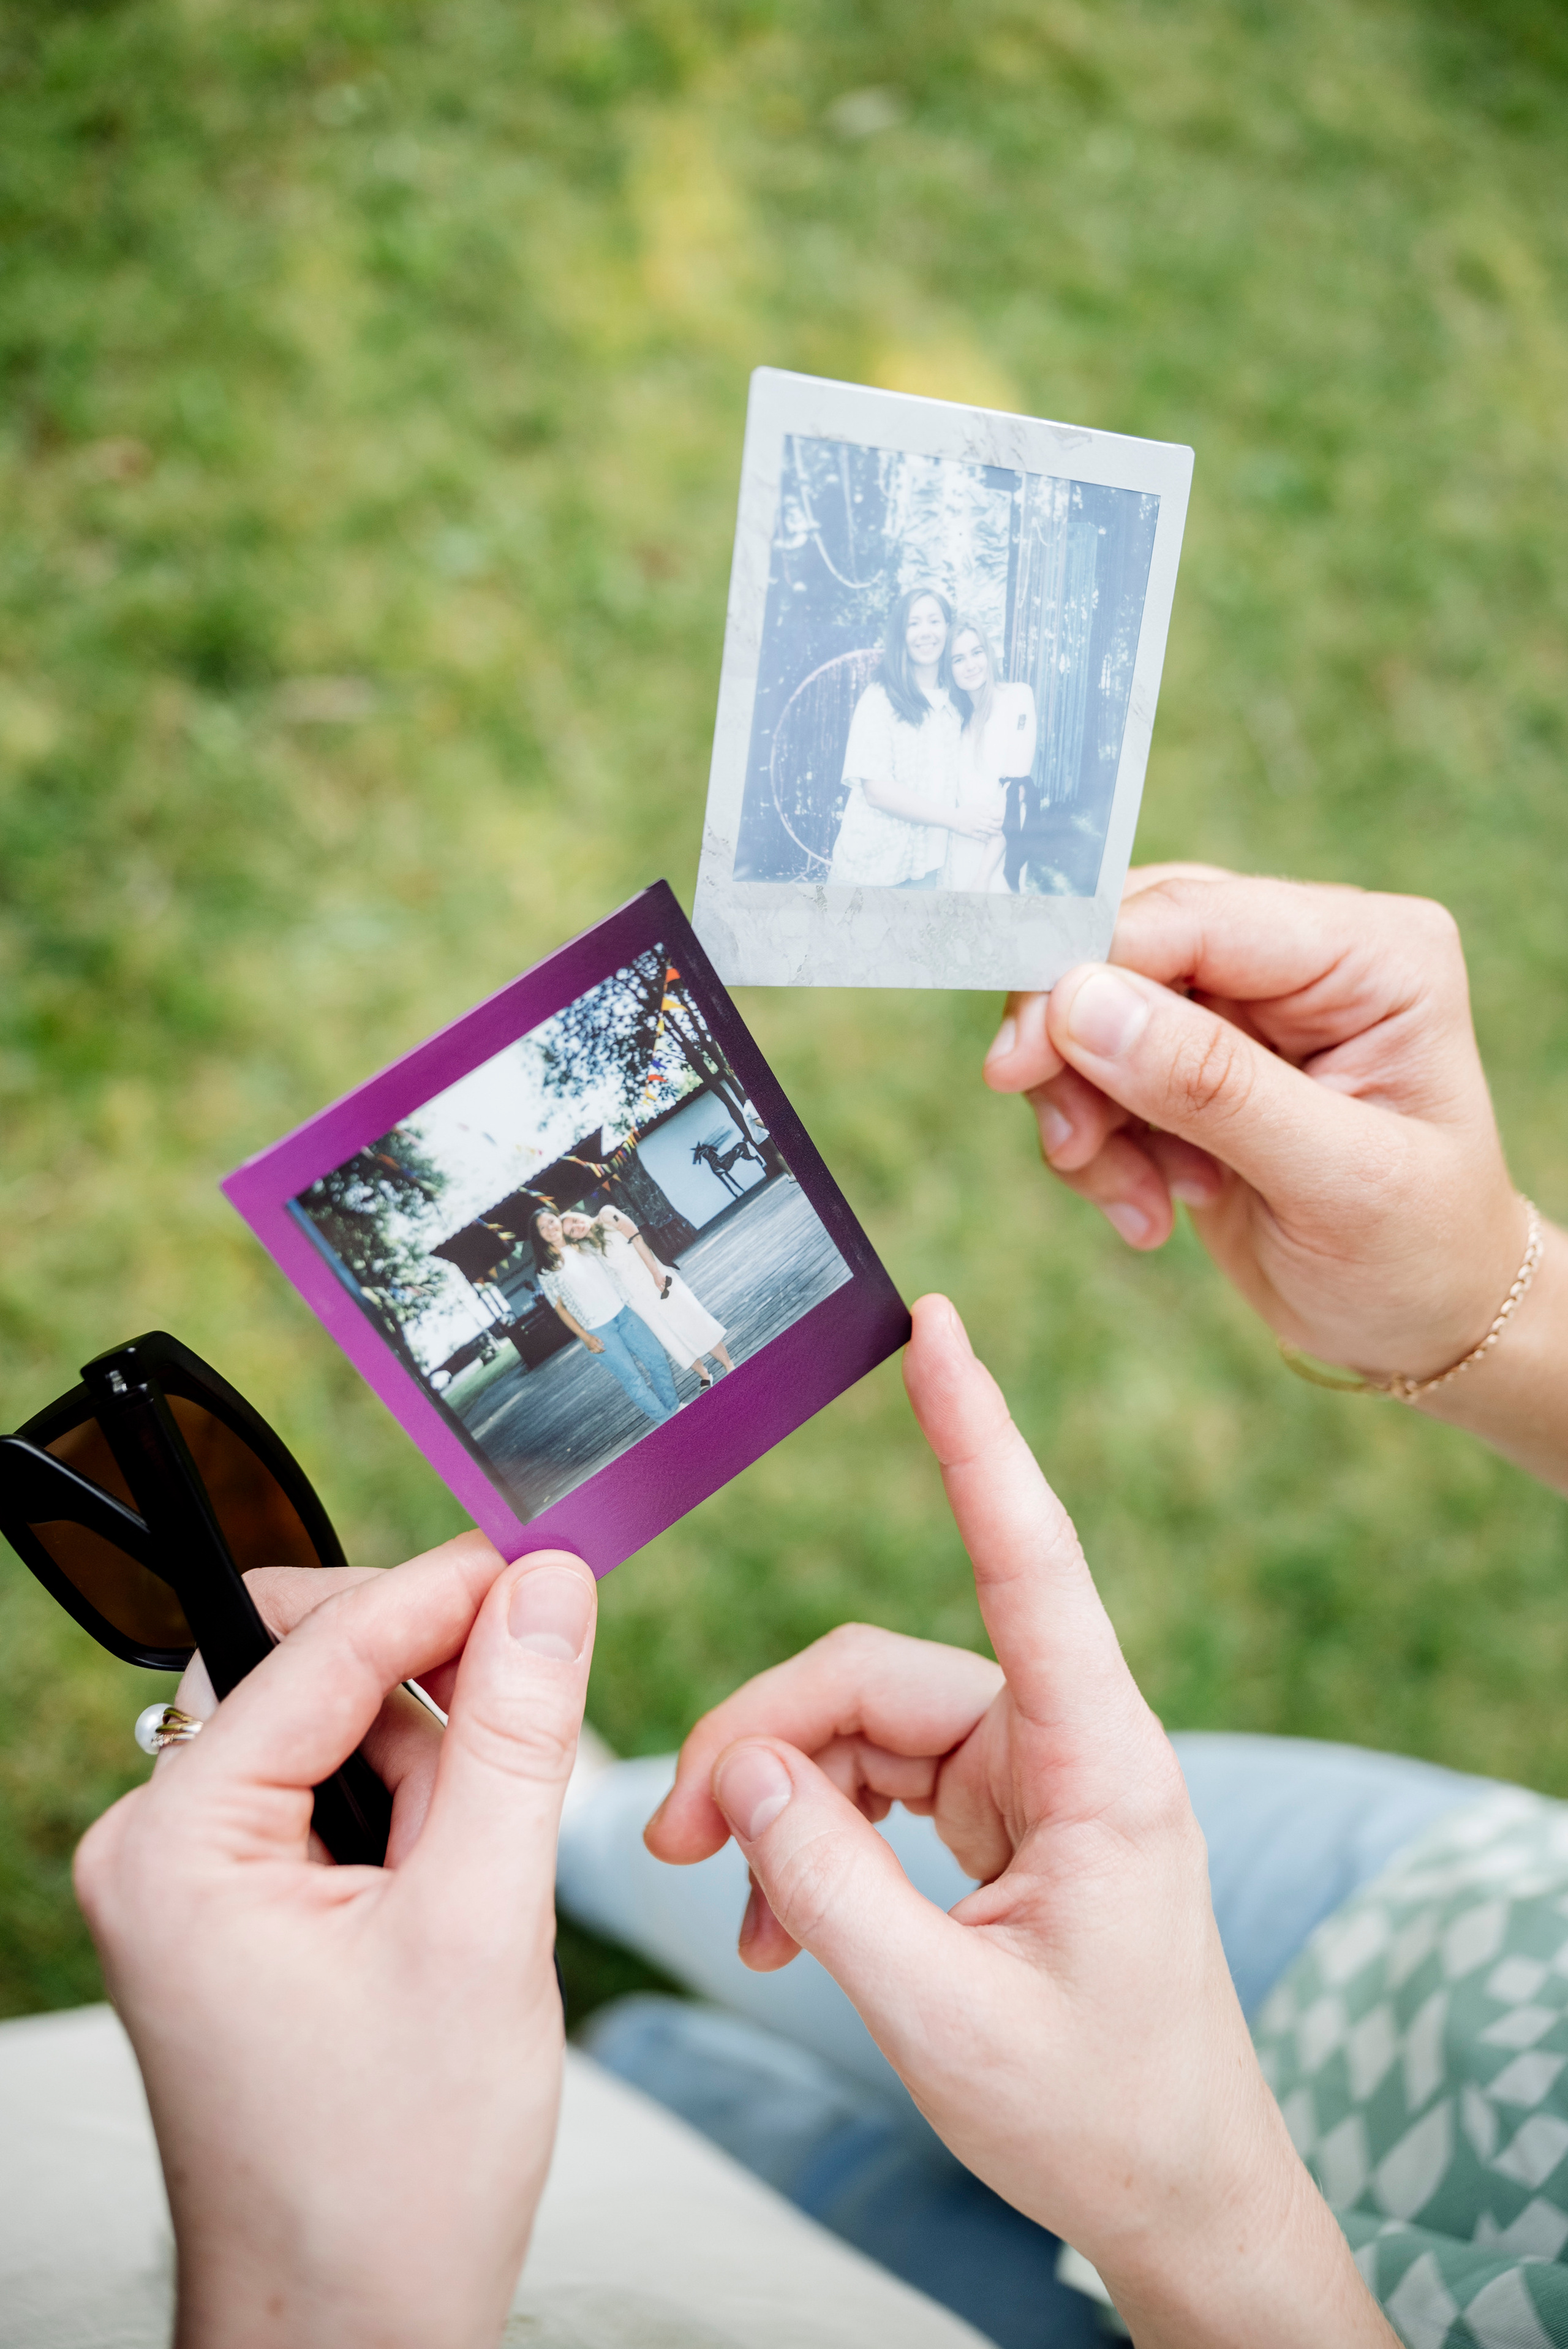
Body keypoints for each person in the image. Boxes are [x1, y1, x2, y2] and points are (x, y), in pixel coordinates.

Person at [68, 868, 1568, 2346]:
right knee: (708, 1919)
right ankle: (590, 1866)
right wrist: (1497, 1295)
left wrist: (1203, 2229)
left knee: (747, 2191)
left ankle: (630, 2057)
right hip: (1440, 1940)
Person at [827, 586, 999, 890]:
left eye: (934, 621)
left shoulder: (954, 705)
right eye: (913, 623)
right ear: (901, 635)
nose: (925, 632)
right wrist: (956, 819)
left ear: (948, 628)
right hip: (871, 872)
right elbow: (877, 791)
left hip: (927, 871)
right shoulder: (880, 698)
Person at [529, 1207, 678, 1425]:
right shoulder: (547, 1271)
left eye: (552, 1221)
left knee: (657, 1360)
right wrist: (584, 1336)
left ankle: (674, 1408)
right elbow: (560, 1308)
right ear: (539, 1236)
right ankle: (667, 1421)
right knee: (633, 1380)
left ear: (559, 1219)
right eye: (543, 1228)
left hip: (624, 1314)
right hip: (598, 1331)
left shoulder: (584, 1245)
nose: (550, 1228)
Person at [561, 1205, 734, 1388]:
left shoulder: (606, 1214)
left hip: (652, 1274)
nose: (578, 1226)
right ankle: (704, 1373)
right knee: (668, 1335)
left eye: (574, 1220)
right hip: (635, 1296)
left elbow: (637, 1238)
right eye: (572, 1231)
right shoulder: (588, 1250)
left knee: (690, 1318)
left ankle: (728, 1364)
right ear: (573, 1238)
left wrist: (655, 1272)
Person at [943, 617, 1036, 896]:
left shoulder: (1017, 697)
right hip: (957, 851)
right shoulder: (953, 719)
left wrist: (982, 878)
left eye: (976, 652)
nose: (971, 665)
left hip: (999, 854)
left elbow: (1014, 794)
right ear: (949, 670)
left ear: (988, 653)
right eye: (958, 659)